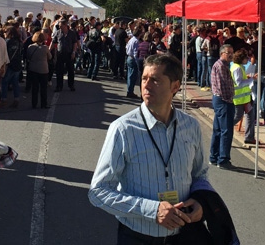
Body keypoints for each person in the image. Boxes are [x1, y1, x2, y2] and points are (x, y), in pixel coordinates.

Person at [89, 54, 209, 243]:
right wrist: (152, 210)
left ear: (175, 87)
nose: (146, 85)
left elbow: (200, 174)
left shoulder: (191, 126)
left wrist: (201, 201)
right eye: (144, 78)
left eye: (155, 80)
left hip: (183, 235)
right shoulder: (123, 129)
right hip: (137, 237)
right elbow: (99, 191)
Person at [209, 44, 236, 169]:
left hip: (220, 100)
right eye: (228, 52)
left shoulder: (224, 65)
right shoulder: (220, 66)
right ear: (222, 54)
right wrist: (228, 99)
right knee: (226, 130)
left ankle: (214, 157)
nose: (231, 55)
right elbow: (222, 86)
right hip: (223, 100)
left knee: (218, 129)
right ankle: (223, 159)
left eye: (232, 52)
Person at [231, 49, 256, 145]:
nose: (248, 59)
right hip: (239, 98)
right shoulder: (237, 68)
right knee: (237, 117)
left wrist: (247, 77)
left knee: (250, 115)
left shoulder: (239, 67)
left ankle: (249, 137)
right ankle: (224, 128)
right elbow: (239, 83)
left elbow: (241, 79)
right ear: (241, 59)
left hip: (245, 98)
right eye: (246, 58)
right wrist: (252, 79)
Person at [51, 19, 79, 92]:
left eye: (61, 26)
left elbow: (75, 43)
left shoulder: (72, 33)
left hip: (69, 54)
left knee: (70, 70)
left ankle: (71, 85)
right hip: (60, 53)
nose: (60, 27)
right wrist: (49, 50)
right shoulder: (58, 32)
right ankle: (59, 86)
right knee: (59, 71)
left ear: (65, 25)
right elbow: (53, 42)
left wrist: (74, 52)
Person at [27, 30, 52, 109]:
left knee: (35, 87)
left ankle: (34, 103)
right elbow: (50, 57)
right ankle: (43, 104)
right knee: (43, 88)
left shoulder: (30, 47)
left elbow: (28, 56)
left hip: (33, 68)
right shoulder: (45, 48)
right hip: (43, 69)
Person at [1, 25, 23, 107]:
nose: (4, 33)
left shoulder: (8, 42)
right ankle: (16, 99)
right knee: (15, 82)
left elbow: (5, 54)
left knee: (4, 82)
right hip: (17, 64)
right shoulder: (19, 42)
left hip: (9, 64)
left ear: (9, 33)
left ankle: (4, 99)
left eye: (5, 32)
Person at [125, 29, 141, 98]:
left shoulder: (131, 39)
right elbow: (135, 53)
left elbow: (126, 47)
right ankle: (130, 91)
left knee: (129, 75)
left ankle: (129, 90)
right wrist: (137, 62)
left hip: (129, 57)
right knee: (133, 76)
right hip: (133, 59)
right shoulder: (136, 41)